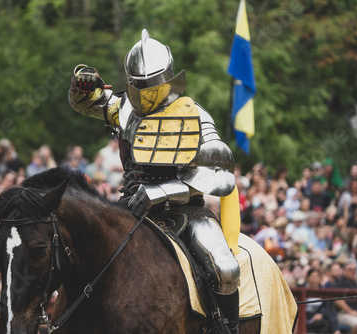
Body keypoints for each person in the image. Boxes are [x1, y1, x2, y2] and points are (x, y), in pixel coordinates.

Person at [68, 29, 240, 332]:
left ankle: (226, 329)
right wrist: (82, 86)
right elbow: (86, 102)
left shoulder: (194, 115)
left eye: (152, 83)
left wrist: (161, 192)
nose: (147, 91)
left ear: (168, 76)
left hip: (187, 212)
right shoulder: (124, 109)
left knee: (224, 269)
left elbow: (220, 172)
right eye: (140, 85)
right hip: (130, 206)